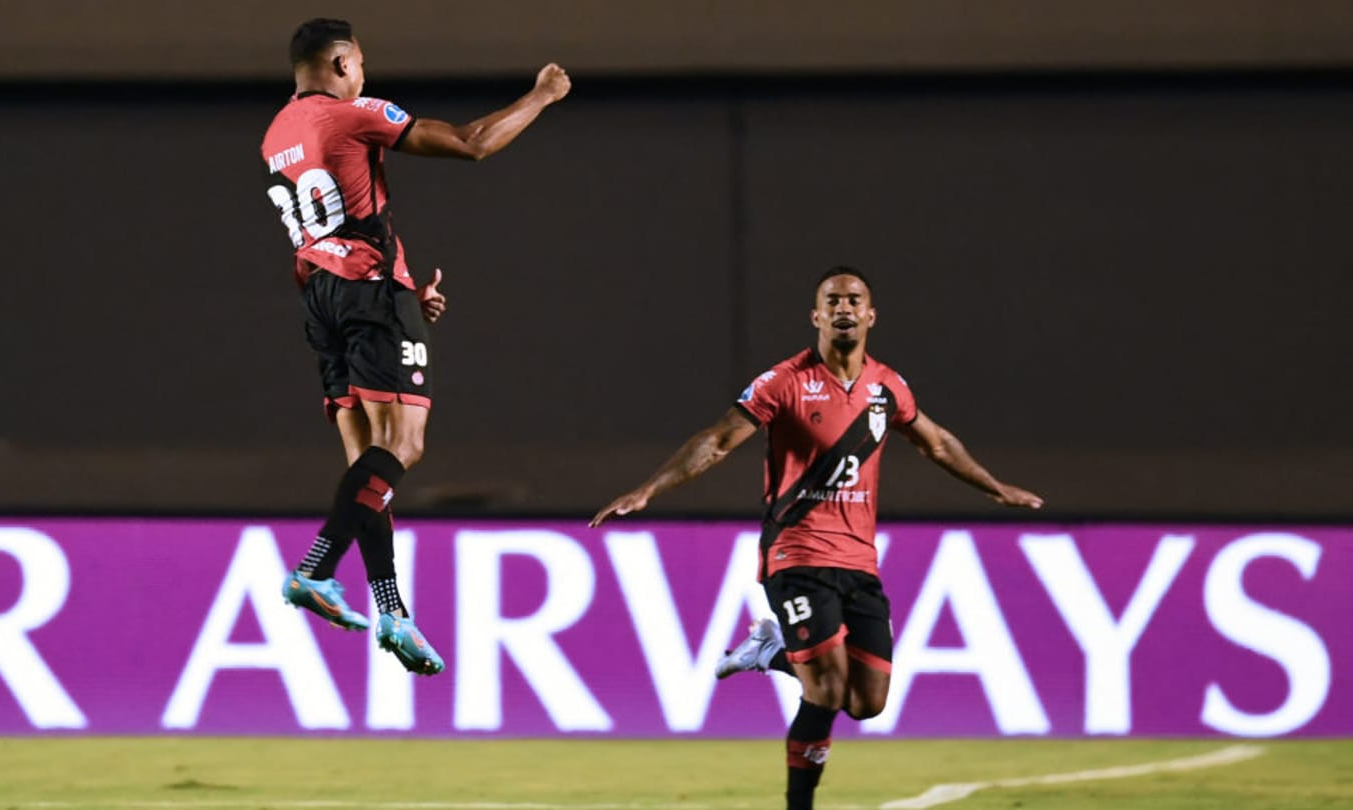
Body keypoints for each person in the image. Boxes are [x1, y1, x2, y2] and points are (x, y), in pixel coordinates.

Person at [590, 266, 1043, 809]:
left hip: (859, 561)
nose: (844, 307)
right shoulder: (783, 382)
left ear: (871, 315)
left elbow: (938, 444)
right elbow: (716, 441)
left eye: (855, 299)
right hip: (796, 553)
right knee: (826, 688)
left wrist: (994, 487)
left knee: (866, 702)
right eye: (833, 301)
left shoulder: (887, 387)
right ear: (817, 316)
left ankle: (770, 650)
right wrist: (648, 490)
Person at [260, 18, 571, 675]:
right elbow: (470, 143)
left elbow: (337, 220)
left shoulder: (276, 134)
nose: (364, 76)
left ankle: (392, 610)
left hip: (321, 298)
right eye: (361, 65)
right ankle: (314, 570)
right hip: (369, 297)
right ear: (343, 64)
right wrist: (541, 95)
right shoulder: (353, 112)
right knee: (403, 446)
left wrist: (401, 288)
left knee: (368, 471)